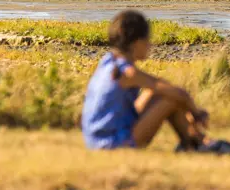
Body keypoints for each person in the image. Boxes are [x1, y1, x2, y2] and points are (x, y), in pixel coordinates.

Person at [81, 10, 209, 150]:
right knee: (170, 99)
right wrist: (196, 113)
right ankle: (197, 143)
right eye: (147, 40)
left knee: (158, 92)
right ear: (137, 43)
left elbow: (160, 87)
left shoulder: (108, 62)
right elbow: (180, 94)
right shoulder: (127, 73)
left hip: (97, 140)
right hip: (112, 144)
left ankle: (195, 141)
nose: (150, 45)